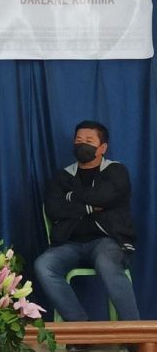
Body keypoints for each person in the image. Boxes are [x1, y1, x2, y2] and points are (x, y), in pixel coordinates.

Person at [35, 120, 139, 323]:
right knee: (43, 265)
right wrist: (90, 206)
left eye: (89, 141)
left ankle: (134, 334)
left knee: (106, 263)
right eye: (78, 140)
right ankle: (81, 329)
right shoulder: (63, 176)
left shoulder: (116, 171)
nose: (82, 144)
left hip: (107, 242)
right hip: (70, 244)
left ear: (102, 148)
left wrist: (71, 197)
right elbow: (53, 209)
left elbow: (106, 197)